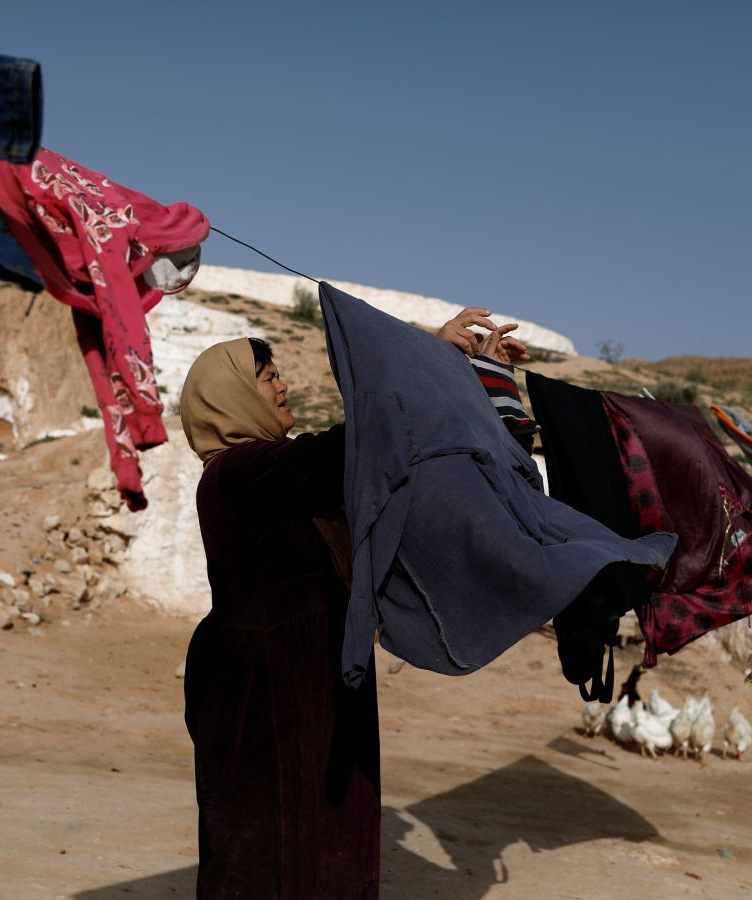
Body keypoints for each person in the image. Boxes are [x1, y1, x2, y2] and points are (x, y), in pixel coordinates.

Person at [177, 305, 526, 898]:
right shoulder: (242, 472)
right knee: (269, 844)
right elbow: (365, 444)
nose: (282, 384)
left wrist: (478, 376)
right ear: (231, 396)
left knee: (327, 838)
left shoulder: (285, 474)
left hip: (315, 682)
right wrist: (435, 357)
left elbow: (413, 464)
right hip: (266, 693)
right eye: (267, 377)